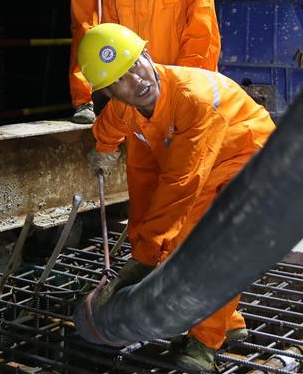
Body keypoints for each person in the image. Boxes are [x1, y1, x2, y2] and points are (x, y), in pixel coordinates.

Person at [79, 23, 275, 372]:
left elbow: (181, 185)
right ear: (110, 93)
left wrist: (139, 263)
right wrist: (104, 149)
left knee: (214, 245)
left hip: (254, 158)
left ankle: (204, 344)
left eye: (136, 63)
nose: (137, 79)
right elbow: (111, 126)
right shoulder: (128, 106)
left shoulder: (192, 97)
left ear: (148, 55)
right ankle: (226, 323)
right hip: (213, 162)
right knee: (177, 241)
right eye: (121, 79)